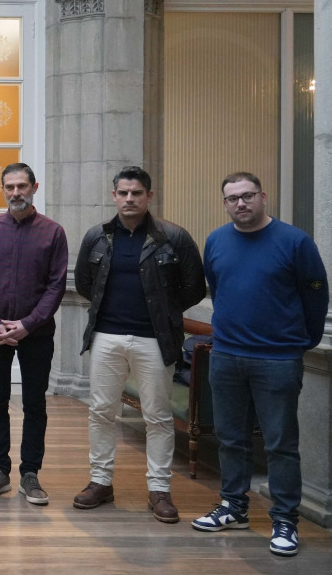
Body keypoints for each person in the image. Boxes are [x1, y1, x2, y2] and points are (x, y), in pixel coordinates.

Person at [191, 172, 327, 557]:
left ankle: (285, 520)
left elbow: (316, 293)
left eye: (248, 196)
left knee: (281, 444)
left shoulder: (294, 241)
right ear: (224, 203)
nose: (241, 204)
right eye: (232, 198)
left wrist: (305, 341)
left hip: (278, 359)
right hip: (228, 355)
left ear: (263, 197)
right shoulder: (216, 241)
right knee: (230, 438)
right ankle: (234, 507)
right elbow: (217, 289)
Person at [72, 166, 205, 523]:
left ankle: (159, 490)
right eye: (123, 193)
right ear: (114, 195)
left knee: (157, 415)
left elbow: (194, 287)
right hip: (106, 336)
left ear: (149, 196)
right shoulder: (96, 237)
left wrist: (163, 309)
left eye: (137, 193)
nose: (129, 199)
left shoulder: (173, 238)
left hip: (155, 339)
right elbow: (85, 282)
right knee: (100, 410)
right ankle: (101, 482)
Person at [0, 163, 67, 505]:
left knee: (34, 402)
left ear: (34, 187)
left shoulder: (53, 233)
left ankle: (30, 473)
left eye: (22, 186)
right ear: (3, 190)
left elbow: (56, 287)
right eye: (9, 187)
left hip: (36, 333)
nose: (16, 193)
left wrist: (27, 324)